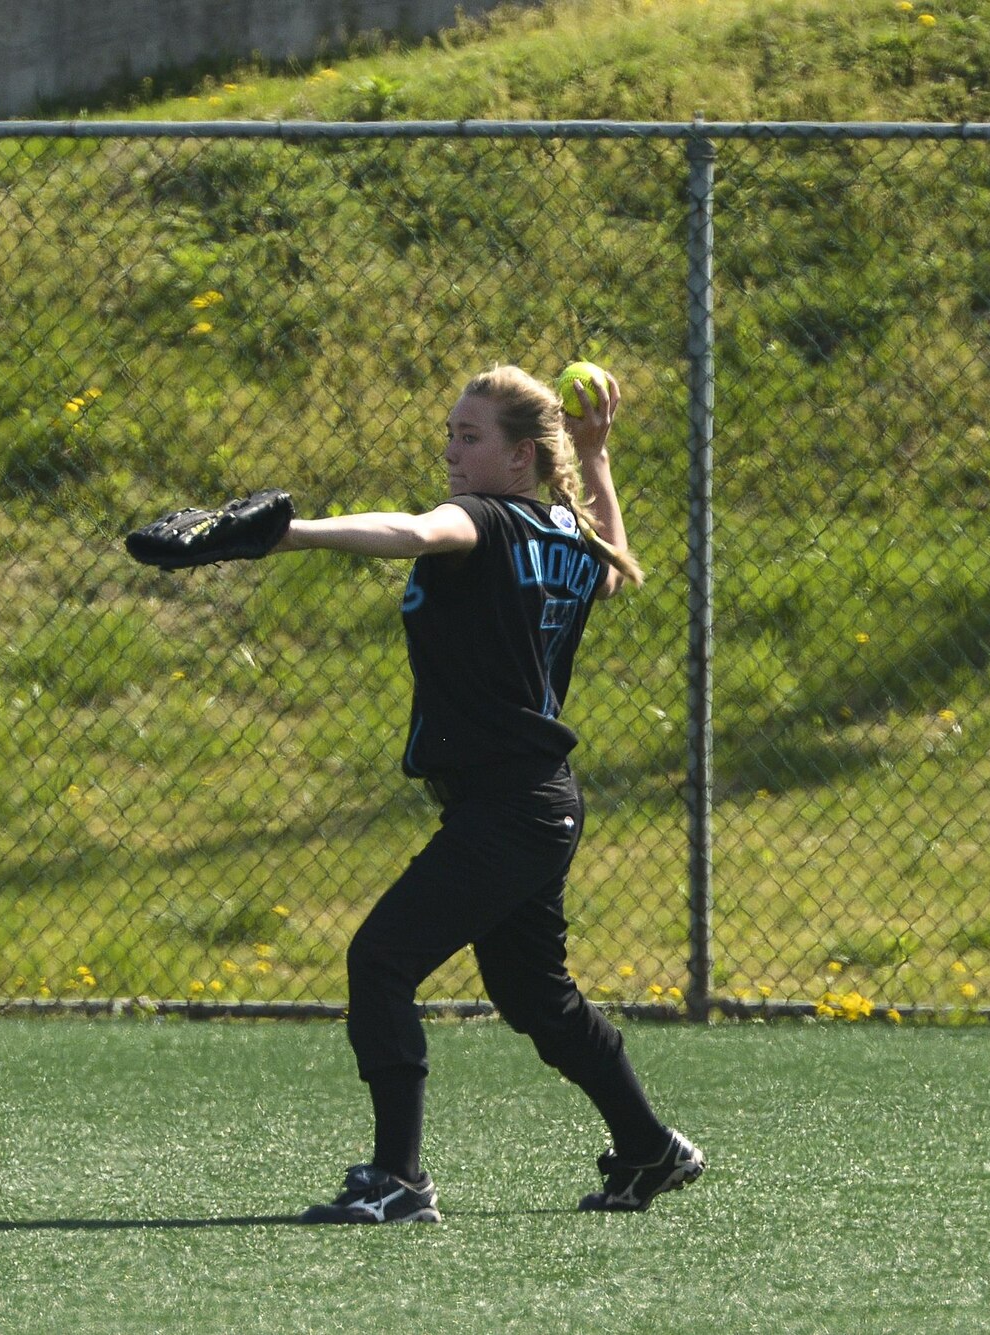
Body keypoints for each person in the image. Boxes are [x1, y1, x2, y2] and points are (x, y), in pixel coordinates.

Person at [264, 364, 705, 1222]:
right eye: (450, 434)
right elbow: (612, 569)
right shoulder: (566, 530)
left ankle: (399, 1178)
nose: (453, 451)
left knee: (381, 959)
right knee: (537, 997)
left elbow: (417, 532)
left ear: (521, 457)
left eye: (471, 437)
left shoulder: (487, 520)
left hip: (510, 806)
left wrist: (297, 532)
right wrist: (597, 457)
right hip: (533, 803)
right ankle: (650, 1148)